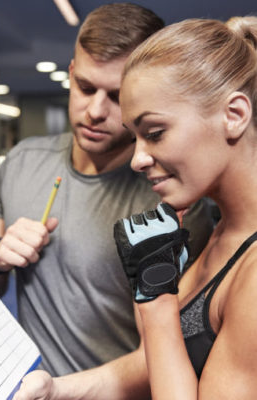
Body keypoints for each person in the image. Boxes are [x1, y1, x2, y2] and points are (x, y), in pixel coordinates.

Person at [0, 4, 213, 400]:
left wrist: (57, 391)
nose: (95, 111)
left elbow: (162, 355)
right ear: (70, 73)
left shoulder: (176, 205)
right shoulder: (21, 162)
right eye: (84, 87)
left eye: (116, 96)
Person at [117, 15, 257, 399]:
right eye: (135, 138)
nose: (137, 159)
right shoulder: (225, 230)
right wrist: (56, 390)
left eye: (155, 133)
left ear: (234, 115)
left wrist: (156, 303)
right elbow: (162, 360)